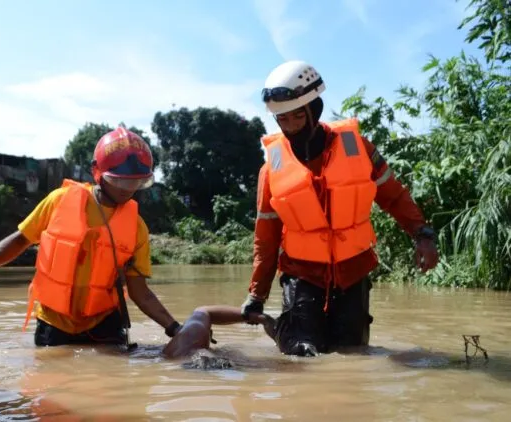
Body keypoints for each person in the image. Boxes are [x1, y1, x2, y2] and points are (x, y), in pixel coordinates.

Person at [240, 60, 439, 357]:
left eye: (297, 116)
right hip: (302, 274)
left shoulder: (358, 148)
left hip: (353, 271)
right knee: (302, 356)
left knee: (353, 356)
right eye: (282, 119)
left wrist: (422, 234)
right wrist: (256, 294)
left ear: (314, 110)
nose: (290, 126)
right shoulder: (272, 169)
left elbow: (394, 197)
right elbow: (266, 237)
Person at [0, 126, 184, 347]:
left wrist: (175, 328)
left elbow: (140, 292)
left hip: (104, 323)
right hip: (54, 323)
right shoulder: (59, 201)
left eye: (136, 182)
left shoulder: (137, 227)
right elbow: (21, 239)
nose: (127, 189)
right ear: (97, 171)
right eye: (120, 181)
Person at [162, 306, 275, 359]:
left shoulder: (173, 349)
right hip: (200, 360)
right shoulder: (195, 331)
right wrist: (262, 318)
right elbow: (203, 311)